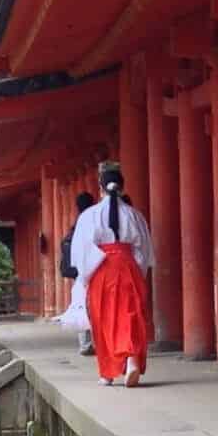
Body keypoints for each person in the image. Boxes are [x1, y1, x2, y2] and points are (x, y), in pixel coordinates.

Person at [60, 161, 156, 386]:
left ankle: (108, 372)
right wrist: (137, 271)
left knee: (103, 319)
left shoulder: (89, 216)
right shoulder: (134, 215)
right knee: (131, 315)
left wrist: (85, 278)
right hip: (129, 266)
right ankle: (131, 361)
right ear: (123, 188)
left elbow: (82, 252)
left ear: (100, 189)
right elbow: (143, 250)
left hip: (101, 270)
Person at [60, 187, 95, 353]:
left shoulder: (77, 223)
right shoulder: (93, 219)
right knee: (94, 305)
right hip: (95, 267)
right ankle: (92, 342)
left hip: (81, 270)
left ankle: (85, 342)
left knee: (82, 304)